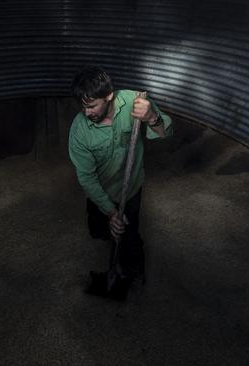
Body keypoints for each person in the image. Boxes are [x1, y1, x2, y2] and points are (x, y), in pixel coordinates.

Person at [68, 66, 173, 292]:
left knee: (129, 237)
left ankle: (135, 272)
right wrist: (111, 211)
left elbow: (165, 133)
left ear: (109, 96)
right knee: (100, 229)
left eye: (92, 106)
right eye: (83, 107)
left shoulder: (136, 104)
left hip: (131, 187)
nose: (87, 113)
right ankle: (109, 231)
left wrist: (152, 116)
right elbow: (86, 178)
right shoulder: (79, 130)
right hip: (101, 193)